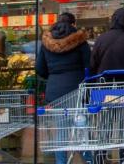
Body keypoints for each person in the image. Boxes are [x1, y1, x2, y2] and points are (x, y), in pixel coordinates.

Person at [36, 13, 92, 164]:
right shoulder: (80, 41)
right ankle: (89, 160)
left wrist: (54, 76)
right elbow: (89, 66)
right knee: (81, 128)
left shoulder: (47, 42)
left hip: (55, 91)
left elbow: (40, 68)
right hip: (76, 90)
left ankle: (61, 163)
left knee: (61, 130)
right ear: (73, 24)